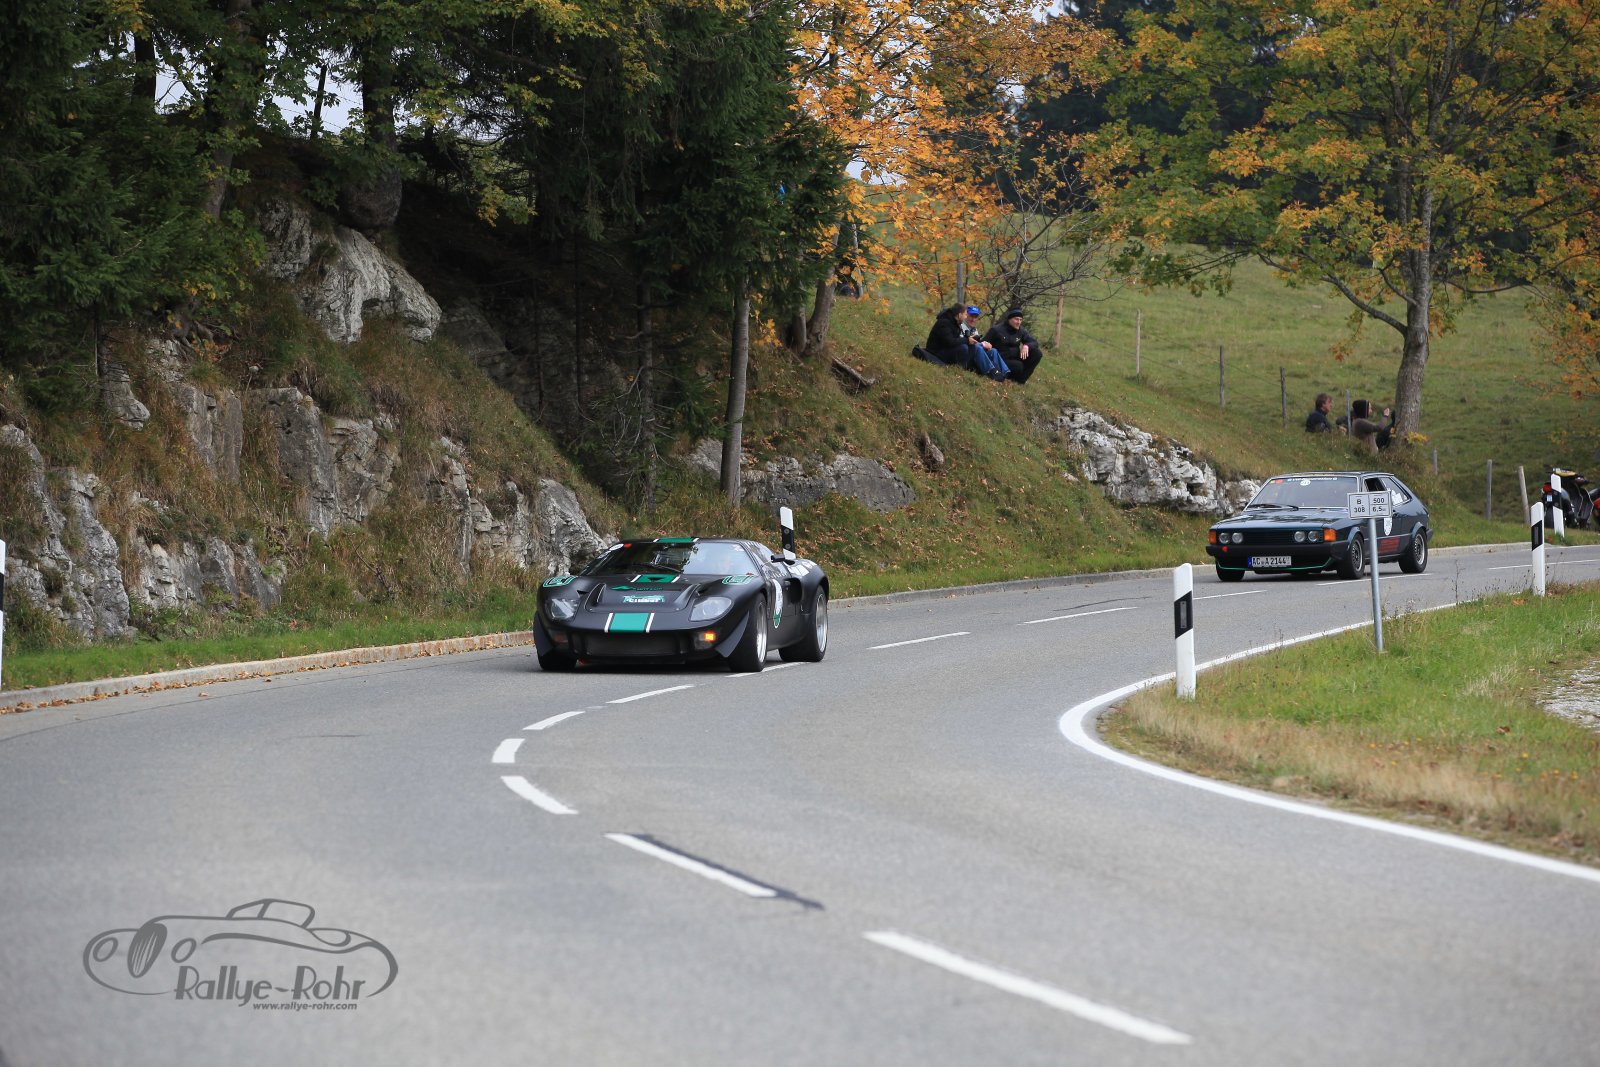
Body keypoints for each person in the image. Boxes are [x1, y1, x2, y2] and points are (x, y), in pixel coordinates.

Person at [983, 308, 1044, 384]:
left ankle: (1021, 380)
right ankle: (1007, 375)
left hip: (1016, 358)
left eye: (1020, 320)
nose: (1019, 322)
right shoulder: (996, 330)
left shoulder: (1021, 330)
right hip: (1001, 360)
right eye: (1016, 319)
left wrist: (1027, 346)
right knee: (1018, 366)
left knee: (1037, 353)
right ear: (1009, 319)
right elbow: (983, 343)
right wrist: (987, 346)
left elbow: (1034, 342)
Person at [961, 306, 1009, 379]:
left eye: (975, 317)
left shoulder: (974, 329)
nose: (973, 319)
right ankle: (991, 372)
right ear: (966, 315)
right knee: (979, 348)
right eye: (971, 316)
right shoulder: (961, 326)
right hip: (965, 354)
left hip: (973, 352)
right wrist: (982, 344)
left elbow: (976, 342)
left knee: (993, 350)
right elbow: (963, 342)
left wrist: (985, 345)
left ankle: (1005, 372)